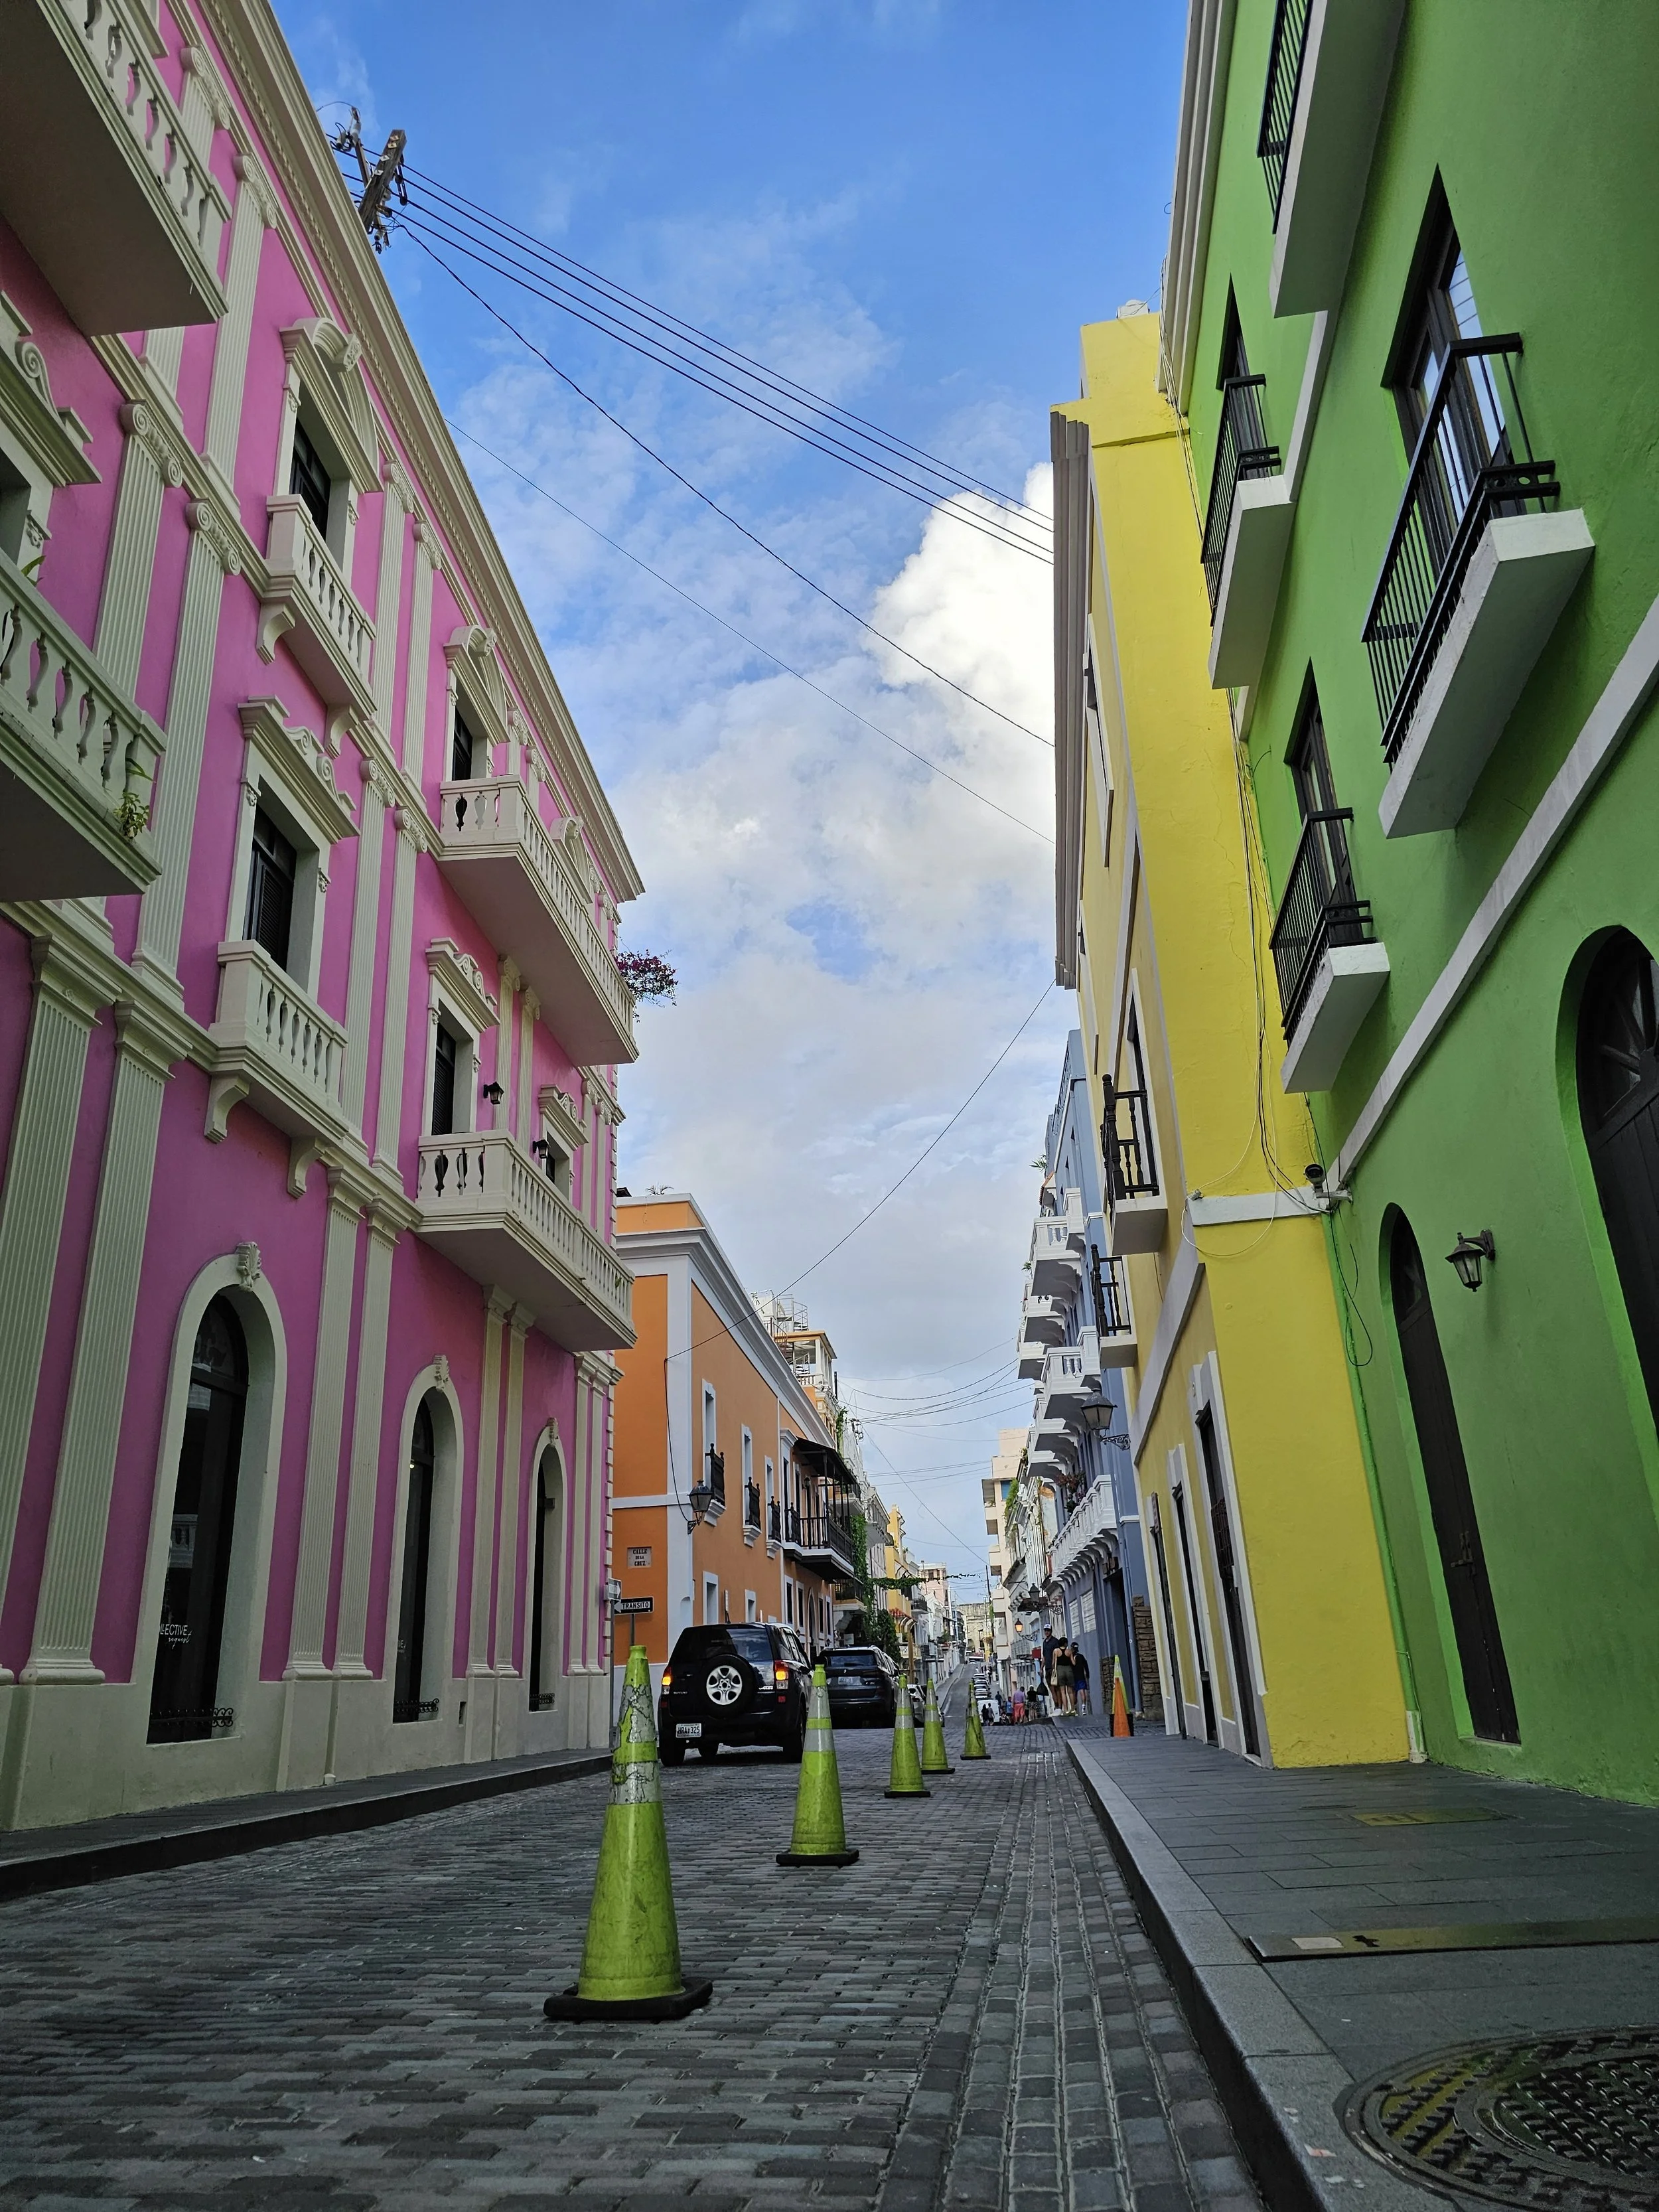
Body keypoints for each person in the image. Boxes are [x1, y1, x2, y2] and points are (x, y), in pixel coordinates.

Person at [1053, 1642, 1076, 1716]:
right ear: (1066, 1644)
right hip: (1068, 1670)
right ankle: (1073, 1710)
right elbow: (1074, 1663)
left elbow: (1053, 1663)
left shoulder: (1056, 1651)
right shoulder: (1069, 1651)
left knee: (1063, 1692)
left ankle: (1066, 1710)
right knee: (1071, 1692)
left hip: (1060, 1670)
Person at [1072, 1644, 1092, 1717]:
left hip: (1073, 1678)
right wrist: (1088, 1674)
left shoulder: (1070, 1657)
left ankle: (1075, 1709)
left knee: (1074, 1694)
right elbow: (1086, 1666)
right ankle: (1083, 1708)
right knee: (1082, 1692)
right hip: (1081, 1677)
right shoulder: (1081, 1657)